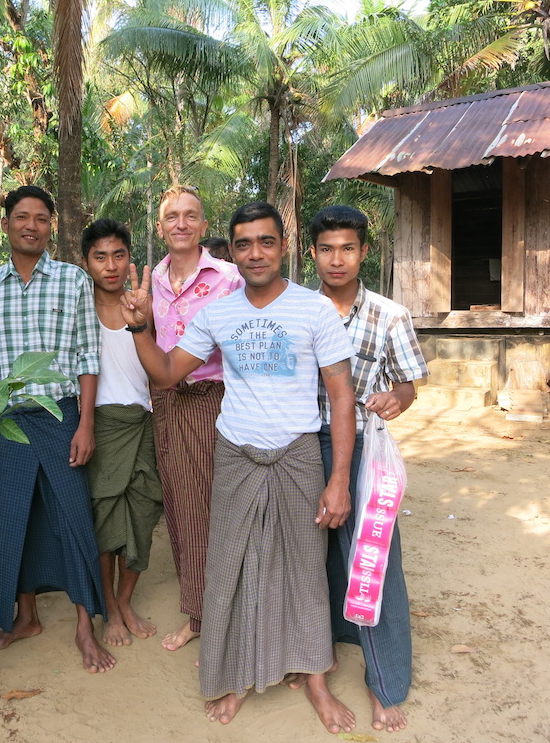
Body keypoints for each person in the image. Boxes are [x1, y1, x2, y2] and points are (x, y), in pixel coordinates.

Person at [121, 201, 359, 731]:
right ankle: (235, 679)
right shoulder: (219, 314)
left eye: (266, 242)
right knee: (230, 565)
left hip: (297, 456)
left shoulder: (313, 310)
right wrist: (139, 328)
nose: (256, 253)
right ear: (233, 249)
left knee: (304, 569)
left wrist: (338, 478)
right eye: (245, 243)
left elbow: (341, 396)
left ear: (284, 246)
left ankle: (316, 679)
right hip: (234, 453)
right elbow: (165, 374)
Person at [0, 185, 113, 673]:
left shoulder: (72, 280)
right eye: (22, 217)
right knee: (14, 519)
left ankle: (84, 626)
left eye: (42, 219)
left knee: (72, 516)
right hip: (9, 424)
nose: (32, 226)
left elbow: (87, 356)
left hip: (61, 415)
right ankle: (23, 617)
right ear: (5, 223)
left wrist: (85, 423)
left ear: (52, 225)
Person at [308, 205, 428, 733]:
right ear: (312, 253)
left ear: (364, 252)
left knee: (372, 560)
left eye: (348, 248)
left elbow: (408, 385)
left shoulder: (389, 316)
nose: (338, 259)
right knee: (305, 558)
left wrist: (393, 399)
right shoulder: (296, 309)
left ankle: (385, 683)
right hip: (297, 448)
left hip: (360, 448)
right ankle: (314, 654)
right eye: (327, 248)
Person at [149, 185, 243, 652]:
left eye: (191, 216)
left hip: (216, 400)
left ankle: (230, 612)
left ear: (205, 227)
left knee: (218, 507)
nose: (181, 224)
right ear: (160, 227)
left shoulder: (230, 277)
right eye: (172, 217)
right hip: (166, 401)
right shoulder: (152, 281)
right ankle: (198, 612)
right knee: (182, 508)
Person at [80, 219, 164, 647]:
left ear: (129, 258)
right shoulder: (78, 311)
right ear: (86, 262)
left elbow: (161, 370)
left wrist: (144, 321)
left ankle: (126, 600)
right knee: (104, 523)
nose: (110, 266)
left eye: (118, 255)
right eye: (100, 257)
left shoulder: (148, 306)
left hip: (143, 423)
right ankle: (110, 609)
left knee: (144, 515)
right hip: (101, 428)